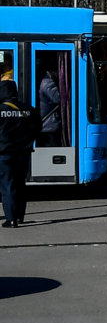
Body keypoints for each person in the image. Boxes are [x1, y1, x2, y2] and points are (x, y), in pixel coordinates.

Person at [0, 73, 42, 228]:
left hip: (4, 154)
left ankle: (11, 219)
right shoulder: (29, 109)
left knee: (7, 186)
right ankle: (20, 216)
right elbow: (38, 128)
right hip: (23, 153)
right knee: (20, 184)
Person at [37, 68, 64, 148]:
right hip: (49, 124)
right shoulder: (47, 82)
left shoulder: (39, 81)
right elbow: (59, 99)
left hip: (42, 124)